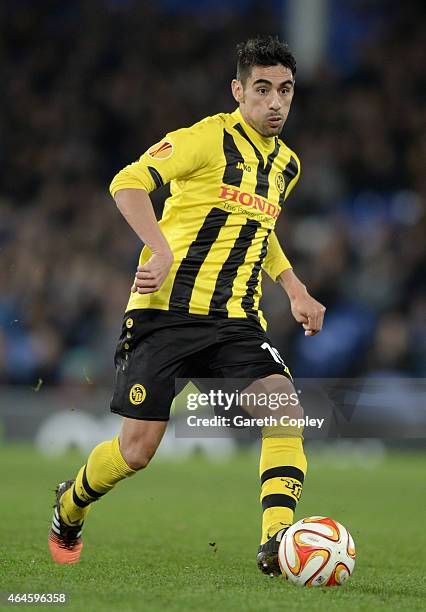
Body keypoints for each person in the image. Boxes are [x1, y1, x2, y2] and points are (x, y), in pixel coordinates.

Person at [48, 35, 325, 575]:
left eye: (285, 91)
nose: (275, 103)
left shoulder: (287, 165)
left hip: (235, 321)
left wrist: (294, 288)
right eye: (262, 89)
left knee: (283, 405)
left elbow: (259, 230)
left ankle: (277, 540)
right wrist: (159, 245)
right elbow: (126, 182)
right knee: (136, 451)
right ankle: (70, 503)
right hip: (164, 315)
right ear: (238, 90)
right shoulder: (203, 140)